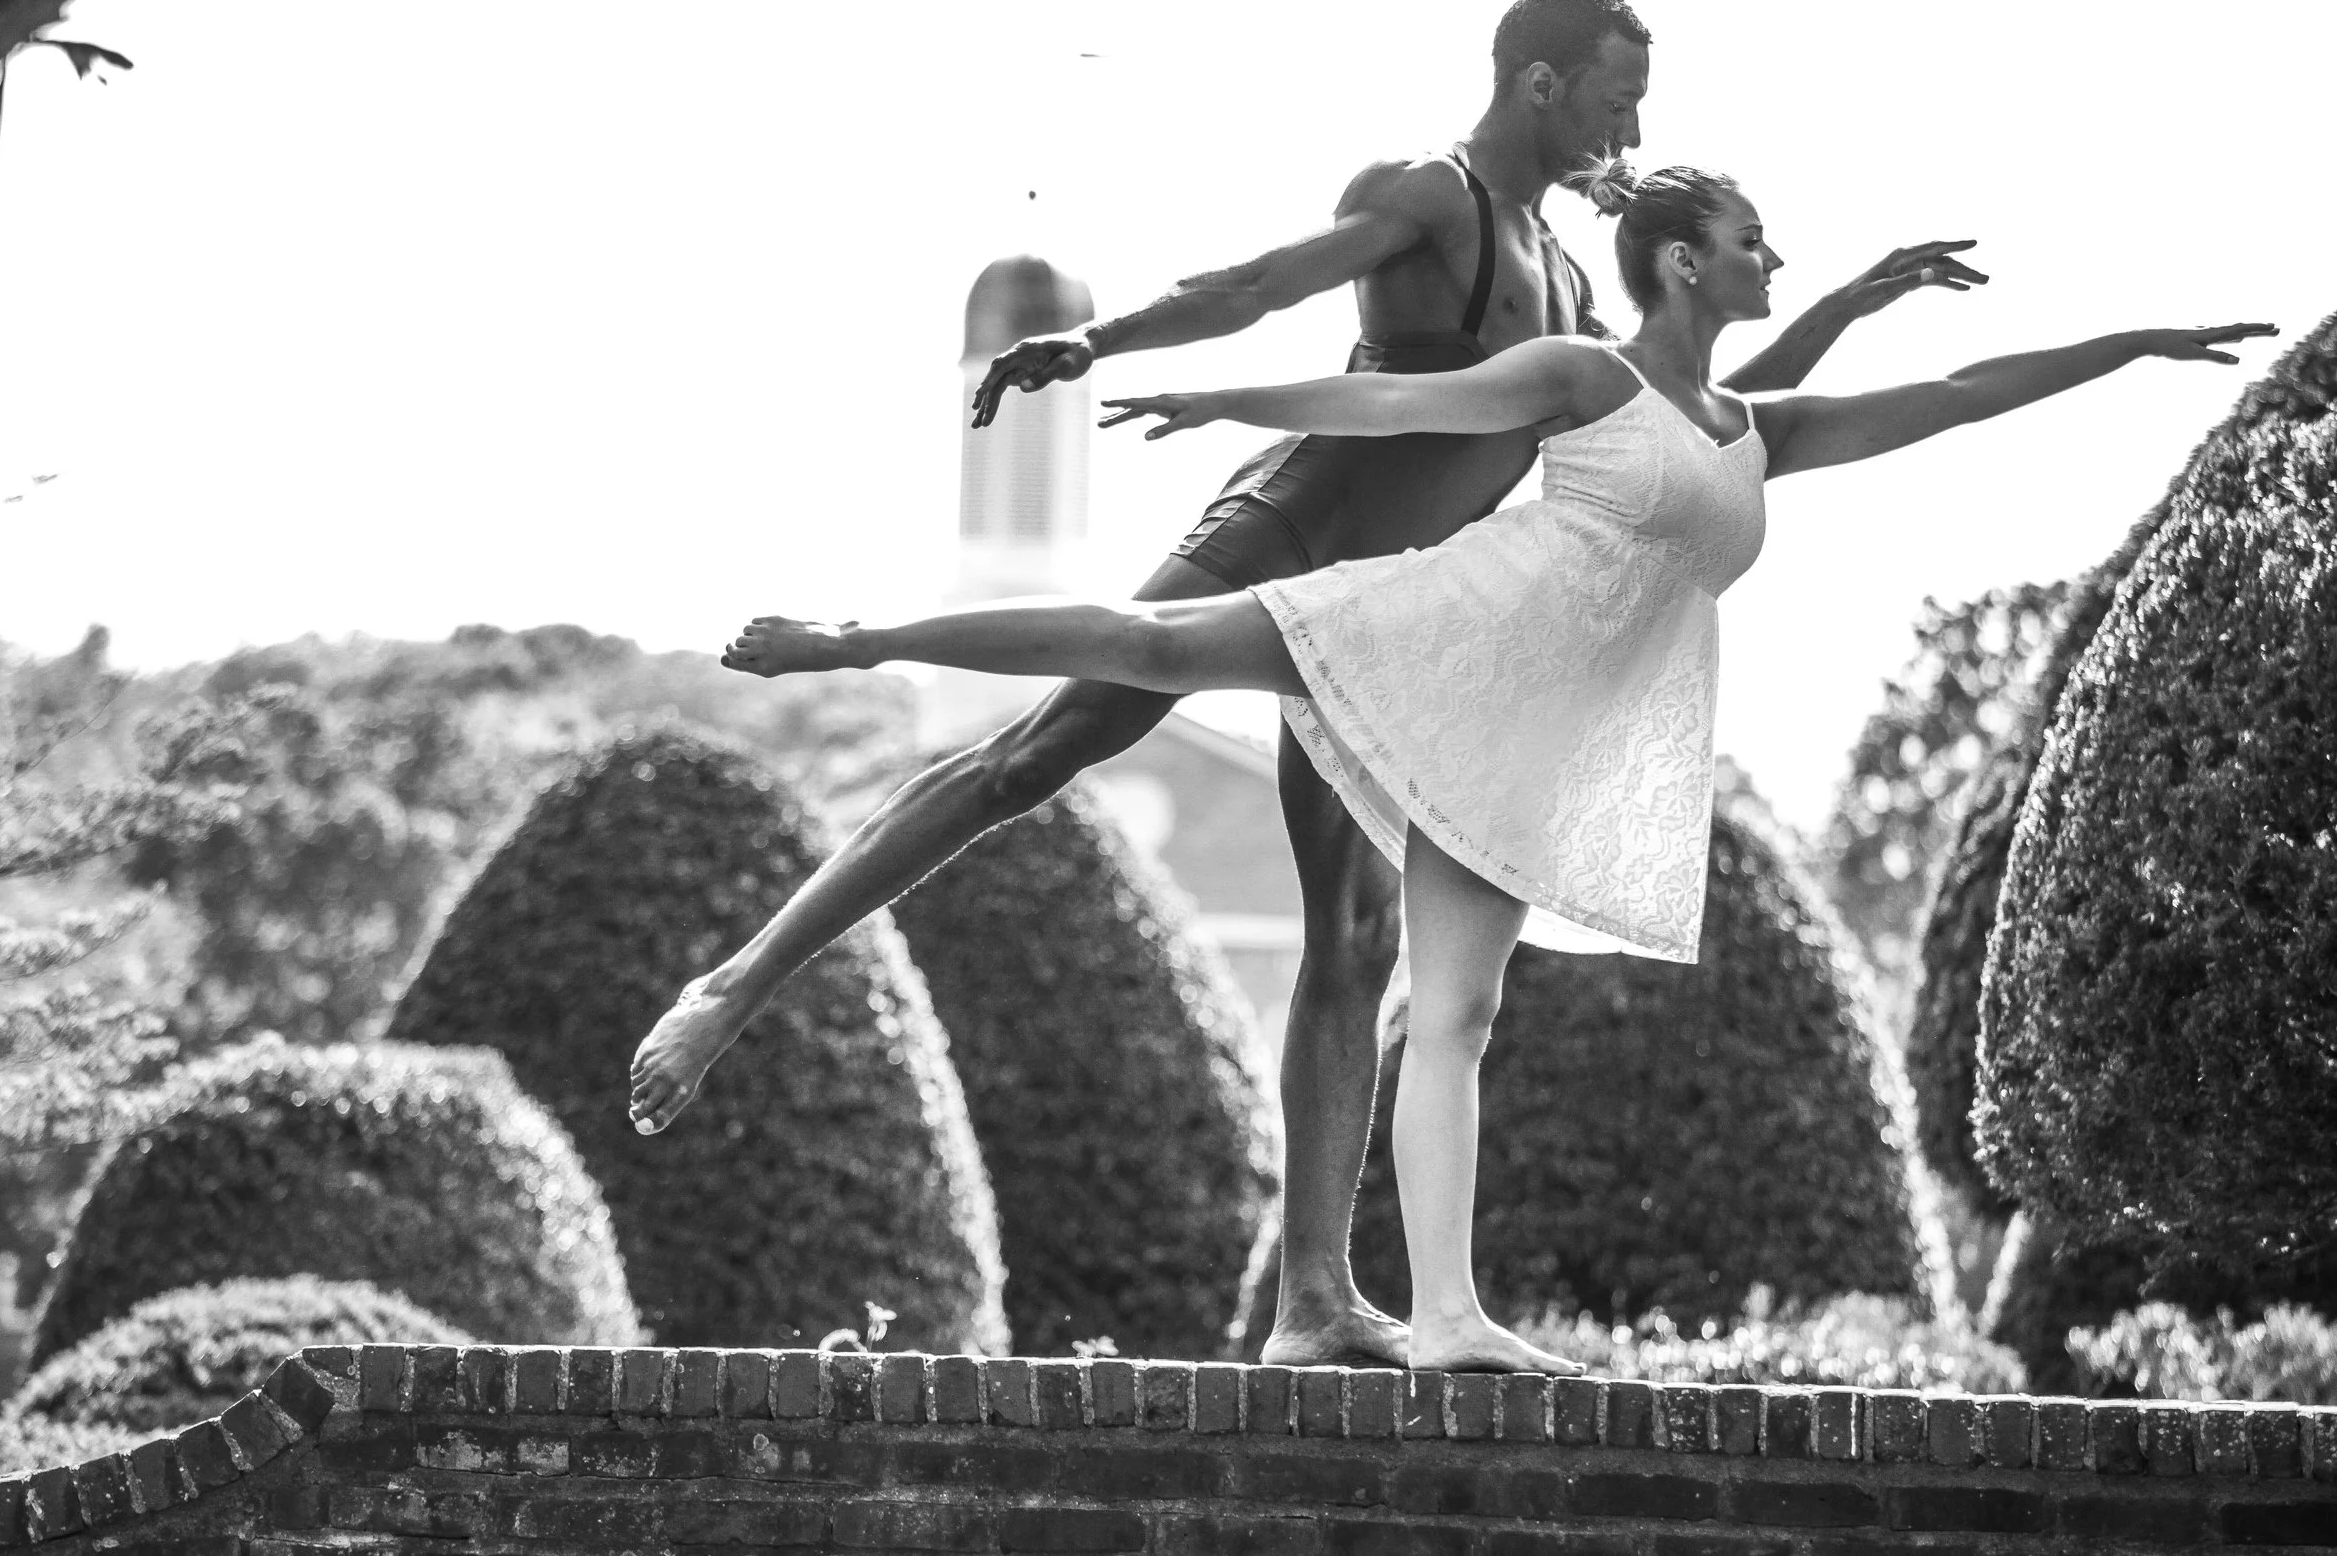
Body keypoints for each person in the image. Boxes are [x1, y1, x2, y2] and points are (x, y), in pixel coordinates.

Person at [657, 157, 2270, 1371]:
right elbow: (1398, 393)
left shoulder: (1749, 432)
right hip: (1434, 631)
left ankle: (1442, 1314)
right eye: (1758, 240)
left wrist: (2131, 343)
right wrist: (1203, 392)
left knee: (1460, 1008)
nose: (1780, 254)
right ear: (1688, 261)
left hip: (1524, 735)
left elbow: (1953, 398)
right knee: (1142, 655)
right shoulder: (1584, 374)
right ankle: (852, 638)